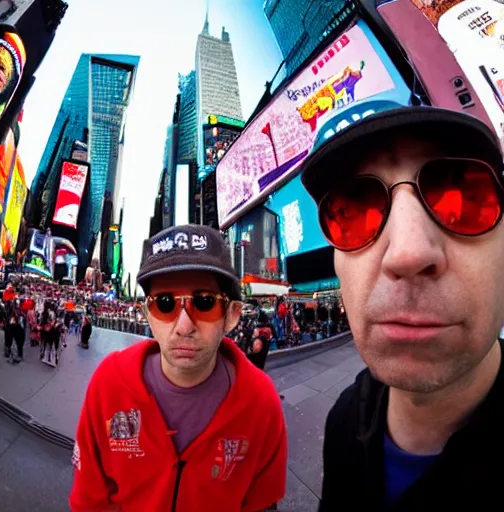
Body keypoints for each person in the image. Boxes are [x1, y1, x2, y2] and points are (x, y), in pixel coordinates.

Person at [300, 105, 504, 510]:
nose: (408, 253)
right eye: (353, 212)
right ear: (339, 265)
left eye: (465, 198)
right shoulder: (343, 420)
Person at [70, 225, 287, 512]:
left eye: (205, 303)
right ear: (147, 313)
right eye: (165, 303)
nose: (184, 327)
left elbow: (261, 505)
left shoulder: (261, 402)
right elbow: (89, 501)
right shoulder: (109, 383)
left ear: (232, 315)